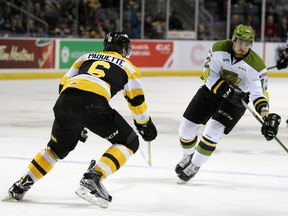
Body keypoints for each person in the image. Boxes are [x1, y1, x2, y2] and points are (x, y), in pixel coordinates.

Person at [3, 31, 157, 208]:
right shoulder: (128, 66)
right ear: (123, 48)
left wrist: (76, 121)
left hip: (64, 102)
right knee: (130, 142)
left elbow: (63, 84)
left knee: (55, 149)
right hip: (93, 103)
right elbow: (136, 100)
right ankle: (94, 176)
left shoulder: (86, 57)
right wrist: (144, 124)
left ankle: (21, 185)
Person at [175, 24, 281, 184]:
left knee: (213, 131)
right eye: (239, 42)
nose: (242, 46)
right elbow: (207, 75)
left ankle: (195, 164)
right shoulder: (219, 48)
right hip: (212, 90)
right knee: (186, 128)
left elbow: (259, 94)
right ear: (233, 40)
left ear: (251, 44)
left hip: (237, 100)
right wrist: (225, 89)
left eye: (247, 43)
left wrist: (266, 117)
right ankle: (188, 155)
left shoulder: (257, 66)